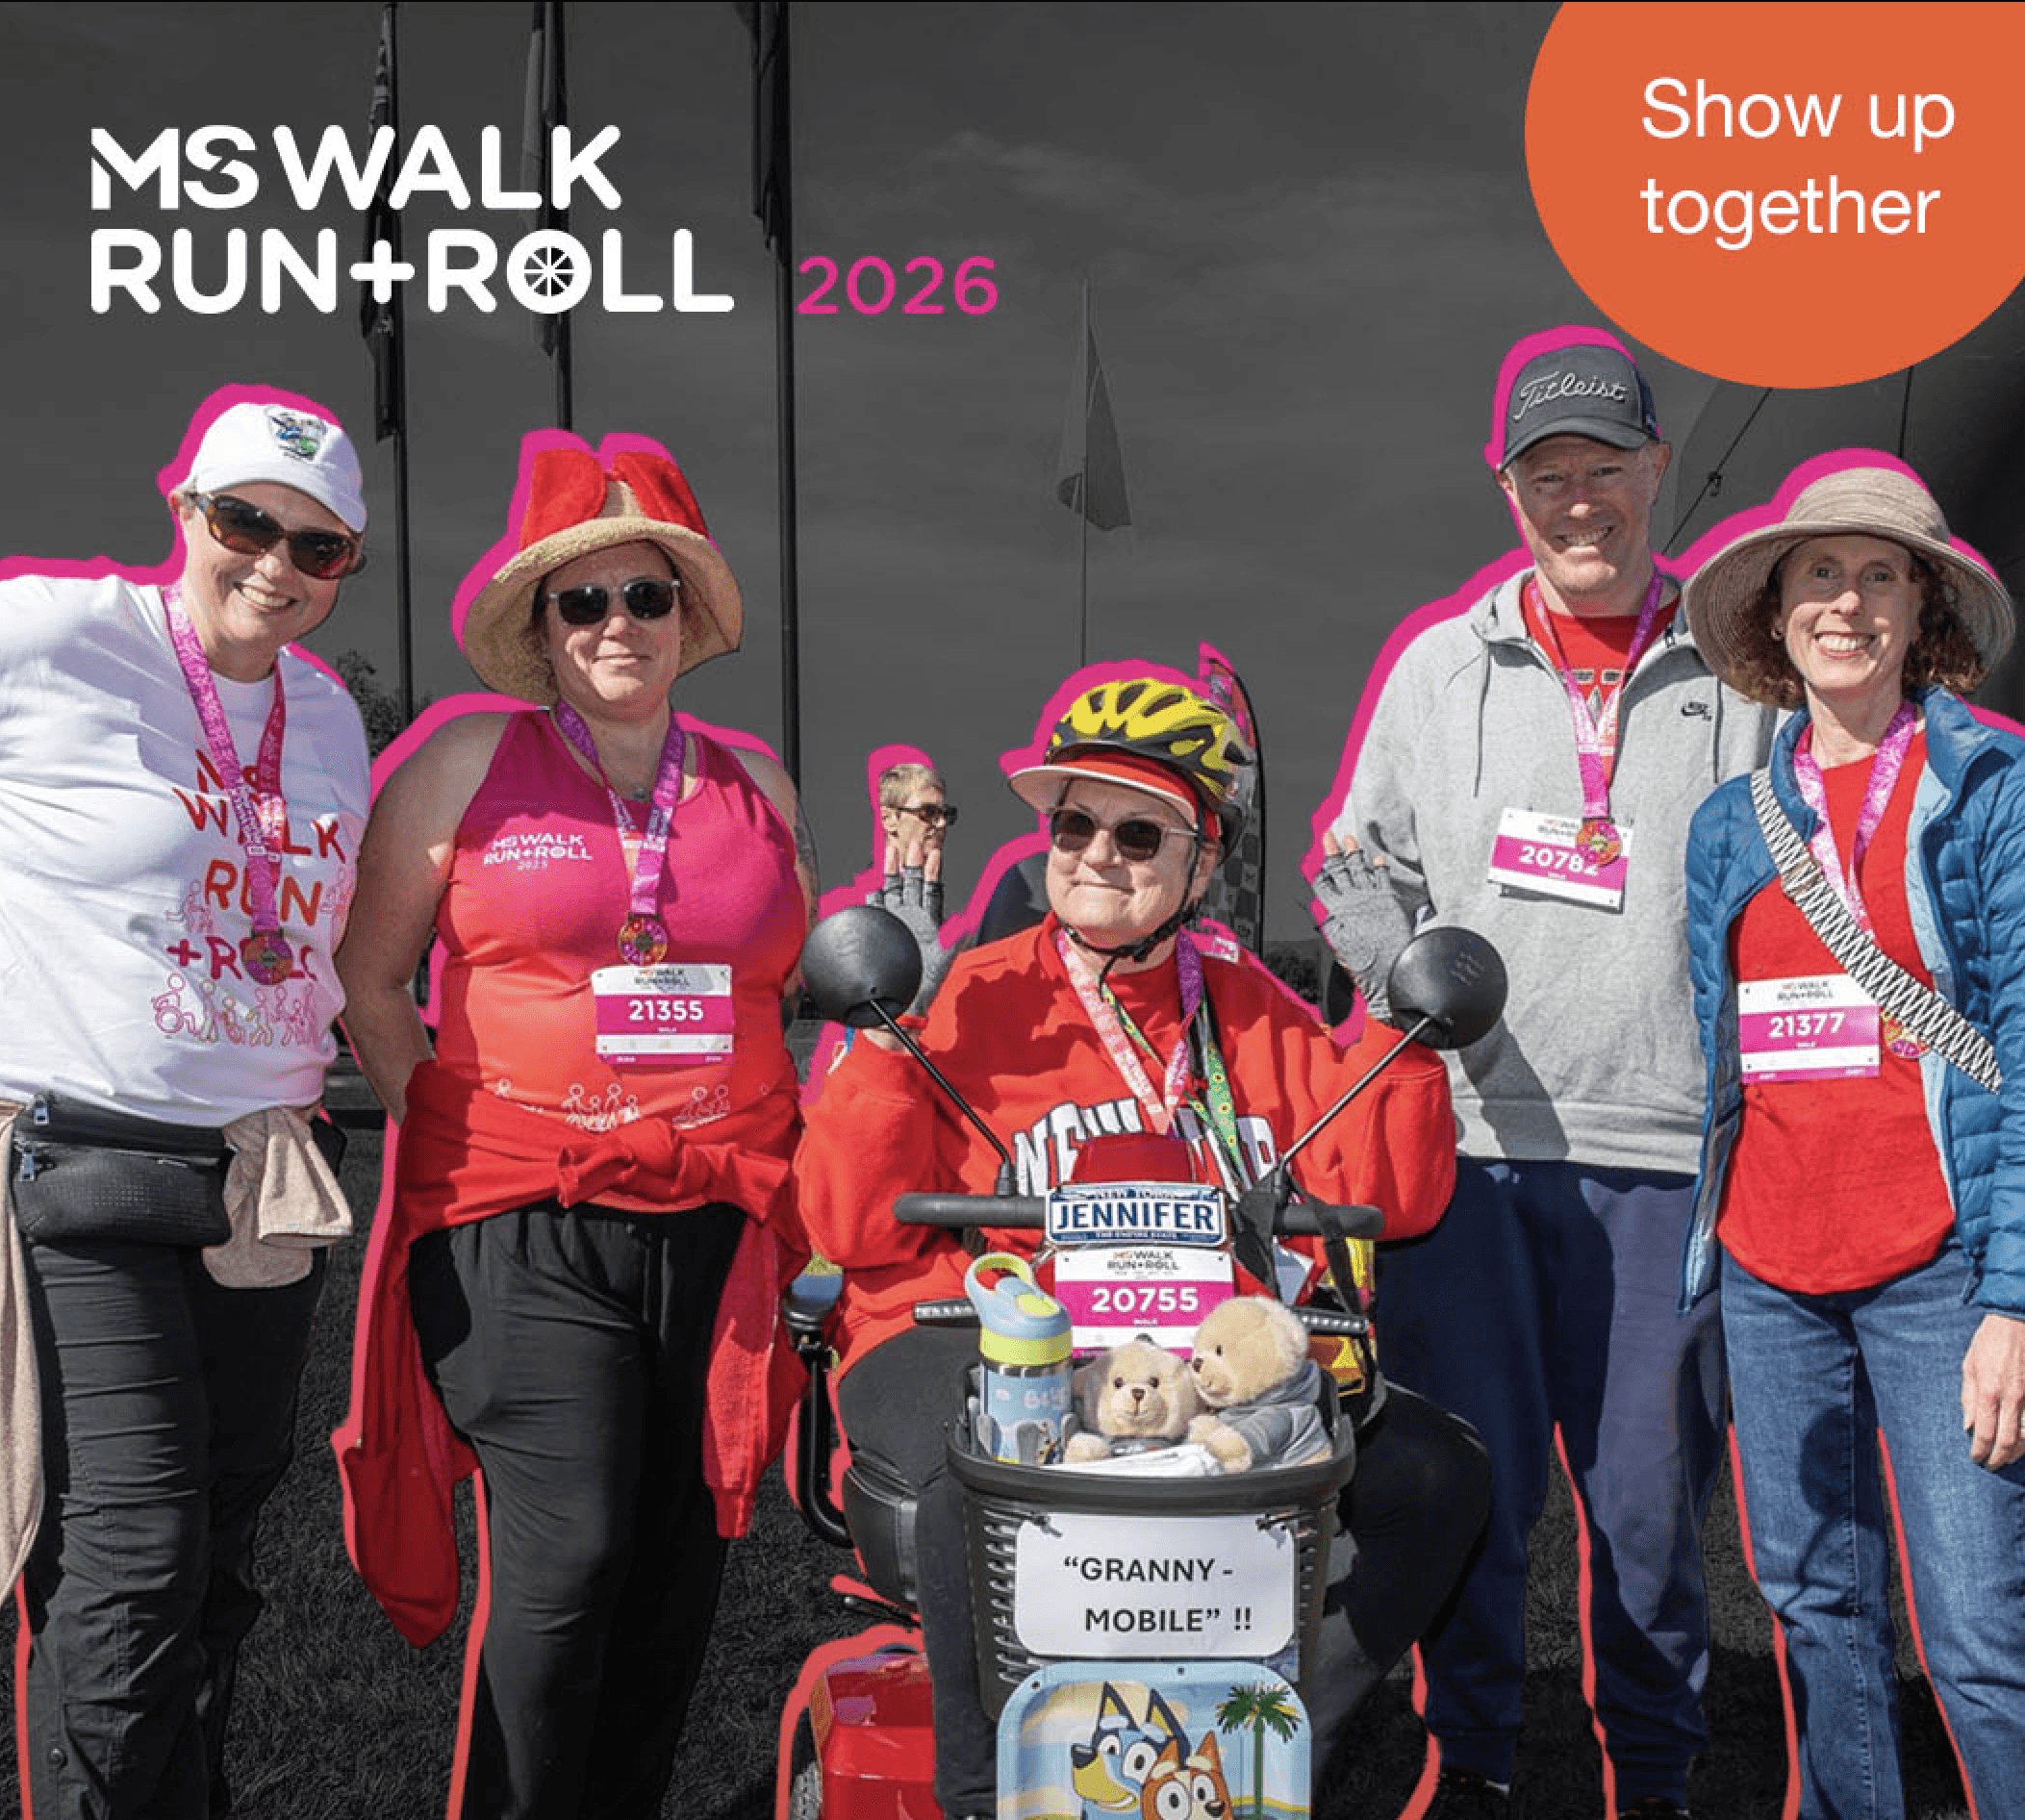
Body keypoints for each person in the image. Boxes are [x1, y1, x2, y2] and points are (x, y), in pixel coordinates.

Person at [797, 672, 1488, 1820]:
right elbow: (849, 1223)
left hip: (1195, 1357)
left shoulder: (1249, 1008)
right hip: (976, 1332)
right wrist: (887, 1031)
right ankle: (985, 1795)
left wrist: (1388, 1011)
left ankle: (1254, 1753)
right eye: (1075, 825)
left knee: (1437, 1474)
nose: (1097, 855)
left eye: (1137, 833)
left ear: (1201, 865)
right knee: (984, 1468)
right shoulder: (966, 998)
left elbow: (1391, 1196)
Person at [1310, 330, 1780, 1818]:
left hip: (1666, 1159)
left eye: (1605, 468)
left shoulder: (1743, 670)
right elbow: (1357, 869)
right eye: (1547, 475)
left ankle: (1655, 1774)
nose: (1580, 501)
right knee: (1476, 1494)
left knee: (1646, 1508)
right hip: (1469, 1159)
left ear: (1658, 468)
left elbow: (1798, 887)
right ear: (1507, 489)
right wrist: (1405, 978)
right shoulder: (1438, 668)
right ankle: (1478, 1767)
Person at [332, 432, 813, 1820]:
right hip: (528, 1219)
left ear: (685, 616)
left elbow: (783, 990)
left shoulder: (758, 787)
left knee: (675, 1564)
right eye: (581, 600)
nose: (616, 623)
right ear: (542, 629)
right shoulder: (465, 758)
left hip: (718, 1221)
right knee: (573, 1551)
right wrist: (458, 1124)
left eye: (645, 595)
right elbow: (370, 978)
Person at [0, 390, 368, 1820]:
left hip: (259, 1173)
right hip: (75, 1165)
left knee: (214, 1564)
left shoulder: (326, 713)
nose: (276, 564)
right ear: (185, 509)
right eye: (247, 520)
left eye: (318, 547)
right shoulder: (47, 636)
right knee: (127, 1563)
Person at [1680, 458, 2025, 1816]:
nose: (1847, 601)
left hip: (1943, 1266)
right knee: (1813, 1605)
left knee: (1980, 1637)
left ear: (1922, 606)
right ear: (1775, 612)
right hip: (1771, 1268)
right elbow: (1724, 1055)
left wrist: (2015, 1300)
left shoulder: (1993, 784)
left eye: (1881, 574)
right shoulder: (1728, 824)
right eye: (1818, 573)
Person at [870, 756, 956, 1006]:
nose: (941, 823)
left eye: (945, 813)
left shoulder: (940, 890)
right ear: (889, 819)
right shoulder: (866, 901)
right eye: (928, 812)